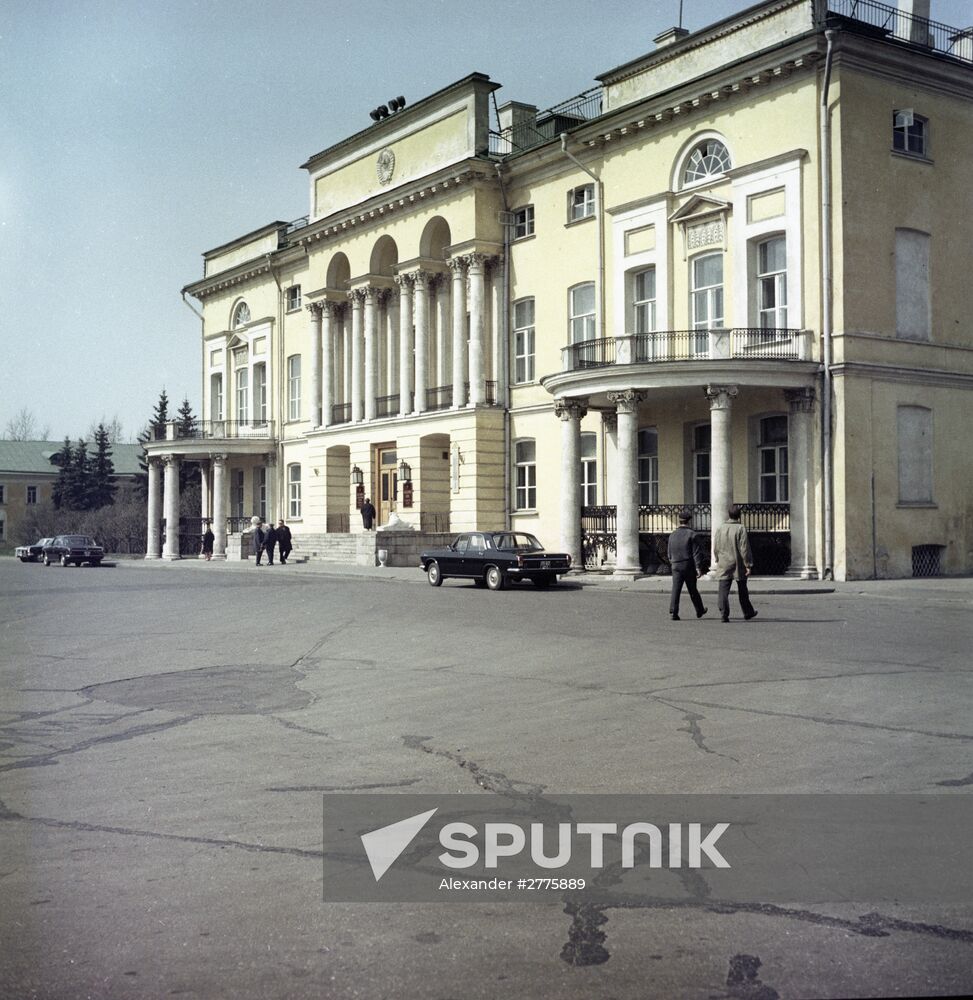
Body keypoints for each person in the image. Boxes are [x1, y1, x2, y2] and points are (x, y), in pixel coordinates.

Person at [712, 503, 758, 623]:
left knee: (723, 589)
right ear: (739, 516)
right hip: (738, 562)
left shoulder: (720, 528)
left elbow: (715, 546)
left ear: (729, 515)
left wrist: (717, 558)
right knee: (742, 589)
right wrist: (748, 564)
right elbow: (744, 548)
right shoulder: (740, 528)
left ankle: (724, 613)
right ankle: (747, 612)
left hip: (724, 562)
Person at [667, 510, 707, 621]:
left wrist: (673, 562)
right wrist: (698, 567)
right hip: (687, 565)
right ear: (689, 521)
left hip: (675, 565)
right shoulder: (692, 534)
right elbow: (696, 552)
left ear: (679, 521)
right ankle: (699, 610)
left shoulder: (672, 535)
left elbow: (669, 553)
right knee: (692, 589)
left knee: (676, 589)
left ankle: (673, 612)